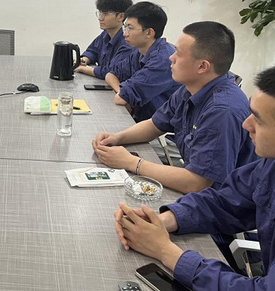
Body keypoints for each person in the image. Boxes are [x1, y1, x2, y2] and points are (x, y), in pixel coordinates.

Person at [114, 66, 275, 290]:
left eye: (258, 119)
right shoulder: (269, 164)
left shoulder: (223, 109)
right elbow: (225, 202)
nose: (246, 124)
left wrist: (165, 251)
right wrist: (163, 220)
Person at [93, 21, 257, 194]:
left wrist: (131, 162)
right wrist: (116, 138)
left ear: (202, 66)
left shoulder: (222, 110)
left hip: (226, 201)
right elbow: (155, 125)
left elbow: (198, 183)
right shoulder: (191, 88)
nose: (171, 58)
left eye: (178, 53)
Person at [105, 1, 180, 122]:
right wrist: (121, 92)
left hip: (162, 127)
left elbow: (121, 99)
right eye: (125, 27)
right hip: (143, 119)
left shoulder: (163, 60)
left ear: (149, 32)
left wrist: (123, 96)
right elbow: (111, 75)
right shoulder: (139, 52)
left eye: (130, 28)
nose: (125, 33)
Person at [75, 0, 134, 79]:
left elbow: (113, 71)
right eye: (100, 13)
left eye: (105, 14)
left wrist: (83, 69)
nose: (100, 18)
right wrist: (83, 60)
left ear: (121, 16)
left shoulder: (128, 42)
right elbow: (92, 51)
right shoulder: (105, 34)